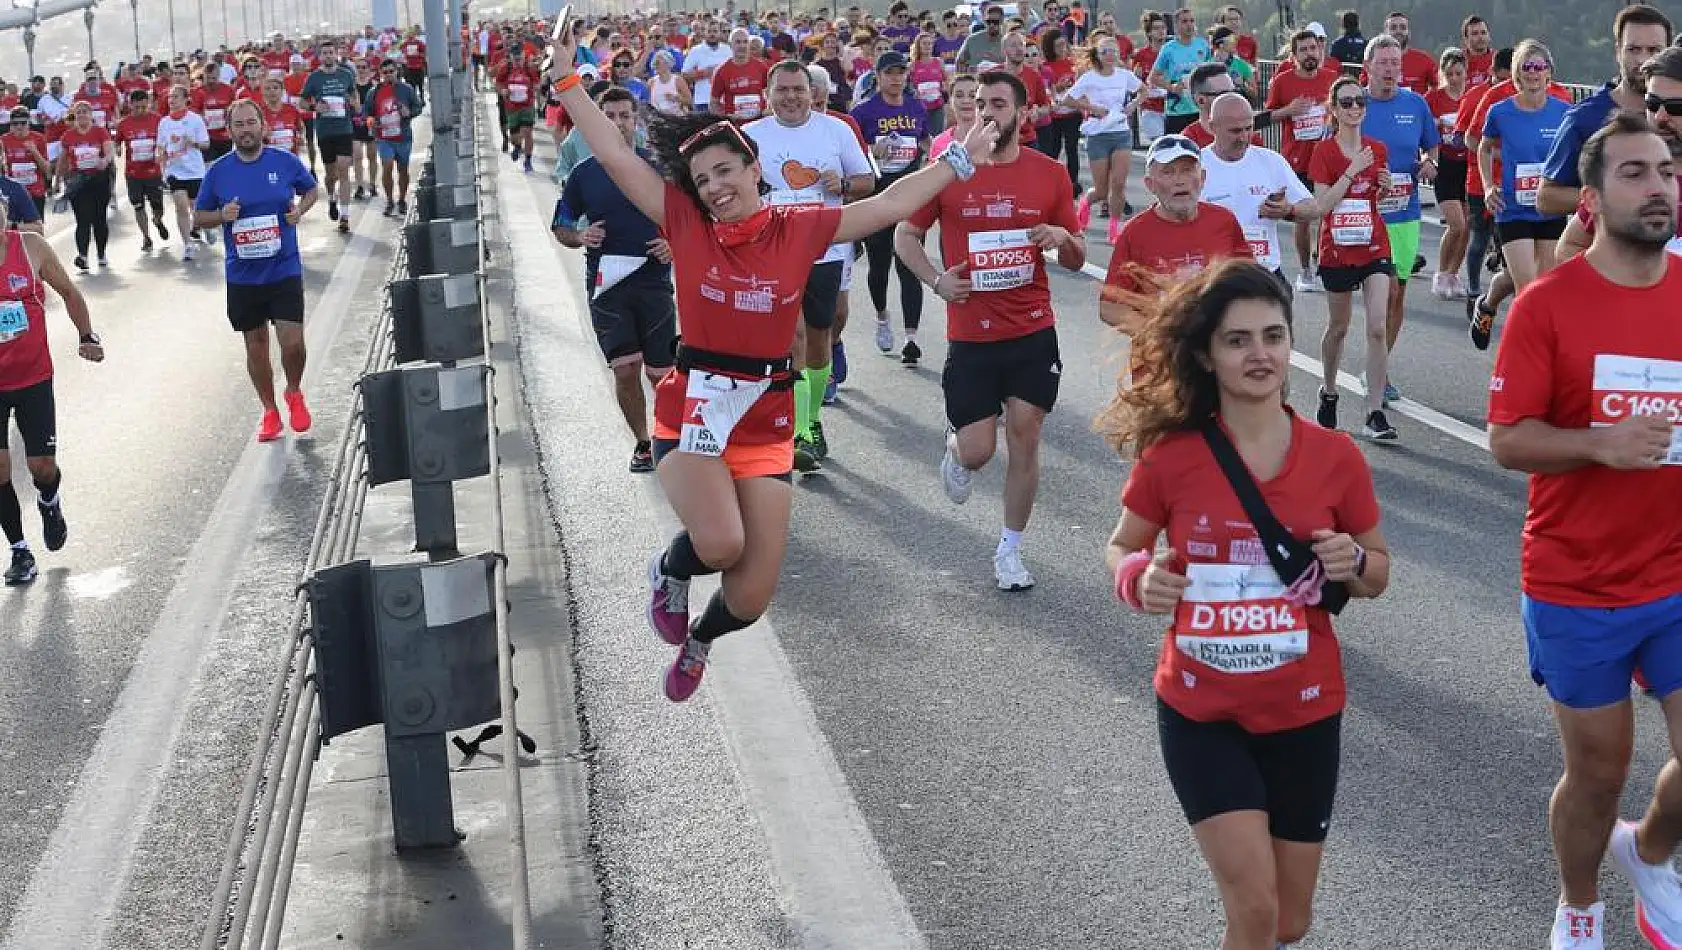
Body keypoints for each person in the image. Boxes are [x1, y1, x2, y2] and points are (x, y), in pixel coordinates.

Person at [546, 27, 999, 702]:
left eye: (726, 171)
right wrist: (564, 81)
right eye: (702, 181)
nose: (715, 187)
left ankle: (700, 638)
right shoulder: (686, 224)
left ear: (754, 168)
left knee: (752, 595)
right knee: (721, 543)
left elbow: (886, 205)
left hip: (765, 414)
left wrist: (957, 161)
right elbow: (613, 153)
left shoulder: (799, 227)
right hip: (696, 401)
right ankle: (669, 569)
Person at [1100, 259, 1388, 950]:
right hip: (1203, 711)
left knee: (1291, 920)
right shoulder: (1172, 455)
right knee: (1255, 912)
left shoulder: (1336, 456)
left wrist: (1353, 563)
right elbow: (1119, 547)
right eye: (1237, 340)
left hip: (1304, 710)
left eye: (1273, 335)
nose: (1259, 353)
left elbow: (1377, 573)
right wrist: (1139, 577)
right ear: (1206, 353)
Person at [1487, 112, 1682, 950]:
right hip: (1579, 581)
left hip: (1677, 573)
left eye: (1667, 170)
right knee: (1599, 775)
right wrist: (1601, 443)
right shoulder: (1547, 308)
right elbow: (1508, 439)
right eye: (1635, 173)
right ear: (1594, 199)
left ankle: (1653, 852)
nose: (1659, 187)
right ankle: (1578, 903)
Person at [893, 70, 1085, 592]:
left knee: (1026, 434)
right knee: (980, 452)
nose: (986, 113)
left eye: (997, 103)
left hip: (1031, 328)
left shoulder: (1048, 174)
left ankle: (1010, 550)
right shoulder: (951, 169)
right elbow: (905, 236)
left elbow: (1075, 257)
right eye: (979, 103)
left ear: (1022, 113)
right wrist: (936, 282)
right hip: (972, 333)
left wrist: (1061, 236)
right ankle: (957, 449)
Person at [747, 61, 873, 469]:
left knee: (821, 339)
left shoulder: (836, 129)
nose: (790, 97)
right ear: (768, 94)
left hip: (826, 250)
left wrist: (845, 185)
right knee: (793, 338)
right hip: (773, 253)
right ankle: (797, 429)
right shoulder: (749, 136)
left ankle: (812, 418)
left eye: (798, 89)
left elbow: (867, 181)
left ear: (812, 92)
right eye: (781, 90)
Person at [553, 87, 676, 474]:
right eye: (610, 116)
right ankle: (643, 442)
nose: (618, 124)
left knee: (662, 374)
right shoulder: (583, 174)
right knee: (625, 369)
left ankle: (670, 437)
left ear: (635, 120)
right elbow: (562, 224)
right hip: (607, 285)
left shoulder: (657, 166)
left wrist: (673, 243)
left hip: (654, 281)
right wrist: (580, 236)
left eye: (625, 116)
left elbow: (691, 220)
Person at [194, 99, 320, 444]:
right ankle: (269, 410)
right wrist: (223, 216)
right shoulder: (218, 171)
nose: (246, 129)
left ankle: (293, 391)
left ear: (263, 126)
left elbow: (310, 189)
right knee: (256, 346)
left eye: (251, 123)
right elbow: (198, 216)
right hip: (243, 275)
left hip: (284, 267)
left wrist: (300, 213)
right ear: (229, 130)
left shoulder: (284, 161)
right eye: (239, 125)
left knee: (292, 343)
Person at [0, 198, 103, 586]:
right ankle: (20, 550)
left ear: (5, 210)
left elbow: (69, 292)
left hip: (32, 377)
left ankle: (49, 501)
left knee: (41, 467)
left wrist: (87, 335)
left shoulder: (30, 248)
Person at [1469, 40, 1569, 352]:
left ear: (1549, 72)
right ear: (1517, 73)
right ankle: (1526, 353)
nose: (1534, 73)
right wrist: (1487, 186)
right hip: (1512, 208)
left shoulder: (1564, 111)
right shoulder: (1500, 112)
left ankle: (1486, 305)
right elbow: (1483, 147)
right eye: (1527, 67)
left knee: (1540, 283)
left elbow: (1576, 154)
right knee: (1527, 287)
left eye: (1540, 67)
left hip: (1550, 208)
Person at [1101, 133, 1251, 342]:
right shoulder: (1135, 233)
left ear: (1203, 178)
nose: (1179, 181)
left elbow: (1250, 283)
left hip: (1218, 357)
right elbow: (1110, 307)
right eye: (1168, 172)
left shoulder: (1224, 221)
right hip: (1160, 363)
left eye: (1188, 170)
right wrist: (1164, 336)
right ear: (1150, 184)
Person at [1310, 76, 1394, 440]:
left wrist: (1387, 187)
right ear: (1334, 109)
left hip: (1374, 244)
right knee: (1339, 327)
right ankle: (1329, 390)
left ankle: (1375, 412)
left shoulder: (1377, 148)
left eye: (1360, 101)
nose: (1355, 108)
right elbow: (1321, 206)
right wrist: (1352, 170)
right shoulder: (1324, 152)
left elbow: (1379, 202)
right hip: (1337, 248)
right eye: (1347, 102)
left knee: (1377, 327)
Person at [1537, 4, 1672, 218]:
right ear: (1617, 51)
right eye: (1634, 49)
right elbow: (1546, 197)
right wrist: (1614, 198)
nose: (1643, 60)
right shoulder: (1584, 118)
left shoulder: (1675, 115)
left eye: (1654, 50)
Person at [1361, 35, 1437, 408]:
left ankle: (1380, 367)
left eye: (1395, 63)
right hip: (1364, 213)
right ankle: (1373, 367)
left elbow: (1431, 146)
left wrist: (1430, 162)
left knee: (1396, 293)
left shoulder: (1416, 104)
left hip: (1404, 212)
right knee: (1377, 292)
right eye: (1384, 62)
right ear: (1368, 67)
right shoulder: (1353, 104)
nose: (1391, 69)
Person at [1200, 92, 1327, 289]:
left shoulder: (1270, 161)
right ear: (1212, 127)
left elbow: (1312, 208)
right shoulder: (1197, 166)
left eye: (1248, 128)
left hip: (1266, 275)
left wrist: (1288, 210)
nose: (1243, 137)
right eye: (1234, 131)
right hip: (1216, 280)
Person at [851, 49, 929, 363]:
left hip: (910, 197)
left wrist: (932, 150)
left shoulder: (915, 106)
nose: (896, 78)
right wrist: (873, 149)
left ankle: (912, 338)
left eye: (901, 72)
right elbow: (854, 156)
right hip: (878, 198)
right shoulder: (863, 112)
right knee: (880, 265)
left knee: (909, 266)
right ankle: (882, 318)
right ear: (878, 76)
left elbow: (924, 139)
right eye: (890, 73)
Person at [1265, 29, 1340, 293]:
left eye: (1314, 48)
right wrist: (1290, 110)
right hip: (1296, 159)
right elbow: (1268, 115)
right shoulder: (1282, 81)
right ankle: (1305, 270)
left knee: (1329, 213)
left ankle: (1324, 262)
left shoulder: (1332, 79)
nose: (1310, 54)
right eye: (1304, 50)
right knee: (1303, 218)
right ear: (1294, 55)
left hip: (1328, 158)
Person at [1068, 34, 1139, 227]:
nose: (1110, 55)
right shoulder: (1089, 78)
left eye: (1114, 51)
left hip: (1121, 132)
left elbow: (1143, 90)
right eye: (1105, 51)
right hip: (1098, 135)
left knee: (1118, 184)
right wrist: (1092, 109)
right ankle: (1084, 203)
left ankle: (1114, 227)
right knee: (1101, 190)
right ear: (1097, 55)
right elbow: (1068, 99)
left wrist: (1133, 105)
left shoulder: (1124, 75)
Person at [299, 41, 359, 231]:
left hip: (344, 128)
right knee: (331, 174)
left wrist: (354, 103)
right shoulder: (314, 78)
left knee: (343, 169)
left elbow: (354, 94)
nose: (328, 56)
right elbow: (302, 101)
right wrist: (314, 107)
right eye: (324, 53)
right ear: (320, 57)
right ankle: (332, 197)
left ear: (336, 55)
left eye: (331, 53)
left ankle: (345, 216)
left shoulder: (346, 74)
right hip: (325, 131)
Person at [1427, 48, 1472, 300]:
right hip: (1444, 165)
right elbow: (1426, 129)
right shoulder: (1434, 98)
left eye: (1459, 73)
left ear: (1466, 73)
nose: (1455, 78)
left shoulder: (1472, 97)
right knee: (1456, 224)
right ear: (1443, 74)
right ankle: (1441, 273)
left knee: (1468, 227)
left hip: (1467, 165)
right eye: (1450, 74)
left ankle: (1453, 274)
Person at [55, 102, 113, 272]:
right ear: (74, 115)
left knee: (99, 219)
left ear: (91, 114)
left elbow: (108, 151)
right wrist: (57, 180)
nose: (81, 115)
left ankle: (101, 254)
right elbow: (63, 159)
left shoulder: (100, 131)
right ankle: (83, 256)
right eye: (78, 112)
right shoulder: (68, 136)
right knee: (82, 220)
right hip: (78, 181)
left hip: (99, 179)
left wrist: (105, 160)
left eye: (84, 112)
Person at [159, 84, 210, 261]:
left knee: (197, 207)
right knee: (181, 206)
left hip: (194, 171)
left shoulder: (195, 120)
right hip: (175, 171)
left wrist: (193, 143)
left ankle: (205, 226)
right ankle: (188, 244)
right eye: (169, 97)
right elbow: (161, 147)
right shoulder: (164, 122)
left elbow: (205, 144)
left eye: (176, 97)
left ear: (185, 99)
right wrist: (161, 162)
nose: (171, 100)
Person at [114, 88, 168, 253]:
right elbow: (117, 141)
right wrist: (117, 149)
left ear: (149, 104)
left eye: (143, 107)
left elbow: (165, 142)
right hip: (133, 174)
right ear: (130, 105)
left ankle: (158, 221)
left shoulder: (158, 120)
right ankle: (146, 237)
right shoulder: (123, 123)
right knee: (138, 206)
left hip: (153, 172)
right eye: (136, 108)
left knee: (158, 206)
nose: (140, 111)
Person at [367, 58, 421, 217]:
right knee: (387, 166)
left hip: (403, 136)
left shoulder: (406, 89)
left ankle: (402, 199)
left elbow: (418, 106)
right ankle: (389, 200)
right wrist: (371, 122)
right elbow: (366, 113)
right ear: (380, 74)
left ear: (397, 72)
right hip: (384, 137)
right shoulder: (374, 92)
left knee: (403, 169)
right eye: (385, 73)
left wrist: (409, 113)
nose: (388, 75)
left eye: (391, 71)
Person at [1148, 7, 1210, 135]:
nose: (1189, 25)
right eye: (1185, 21)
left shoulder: (1202, 45)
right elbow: (1153, 78)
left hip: (1200, 108)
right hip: (1176, 110)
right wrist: (1172, 87)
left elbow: (1209, 72)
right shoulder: (1168, 49)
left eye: (1192, 21)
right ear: (1176, 26)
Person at [710, 28, 770, 119]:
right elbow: (714, 103)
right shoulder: (721, 71)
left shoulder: (761, 67)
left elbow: (772, 92)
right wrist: (725, 117)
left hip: (759, 124)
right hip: (735, 127)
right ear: (730, 45)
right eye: (738, 42)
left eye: (745, 42)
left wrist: (768, 109)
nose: (742, 46)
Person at [1, 107, 49, 221]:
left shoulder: (38, 138)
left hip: (35, 192)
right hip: (12, 193)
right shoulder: (3, 140)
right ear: (10, 124)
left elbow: (47, 170)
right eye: (15, 123)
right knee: (12, 231)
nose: (19, 127)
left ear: (29, 123)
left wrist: (34, 152)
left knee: (35, 229)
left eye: (23, 123)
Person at [955, 6, 1004, 71]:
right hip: (975, 79)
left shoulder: (1007, 41)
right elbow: (959, 62)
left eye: (995, 22)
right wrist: (973, 70)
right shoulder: (972, 39)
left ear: (1001, 21)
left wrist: (996, 62)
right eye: (988, 22)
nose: (991, 25)